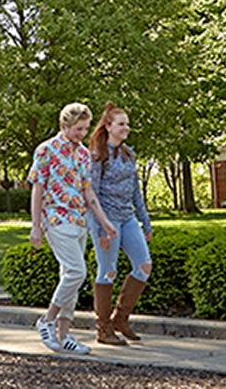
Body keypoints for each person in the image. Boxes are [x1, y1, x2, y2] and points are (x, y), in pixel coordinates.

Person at [29, 102, 117, 355]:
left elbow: (88, 192)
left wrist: (104, 221)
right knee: (77, 272)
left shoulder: (82, 154)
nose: (82, 133)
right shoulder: (46, 150)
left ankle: (64, 335)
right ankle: (47, 320)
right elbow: (38, 188)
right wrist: (36, 226)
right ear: (65, 125)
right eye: (78, 129)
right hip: (57, 220)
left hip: (79, 221)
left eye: (85, 128)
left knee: (70, 276)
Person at [88, 102, 153, 345]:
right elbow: (91, 193)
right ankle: (103, 329)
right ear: (108, 127)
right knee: (108, 270)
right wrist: (103, 225)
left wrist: (145, 222)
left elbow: (136, 190)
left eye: (127, 123)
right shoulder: (97, 155)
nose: (127, 128)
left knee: (144, 265)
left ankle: (120, 318)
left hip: (127, 218)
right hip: (105, 219)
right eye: (121, 124)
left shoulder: (129, 153)